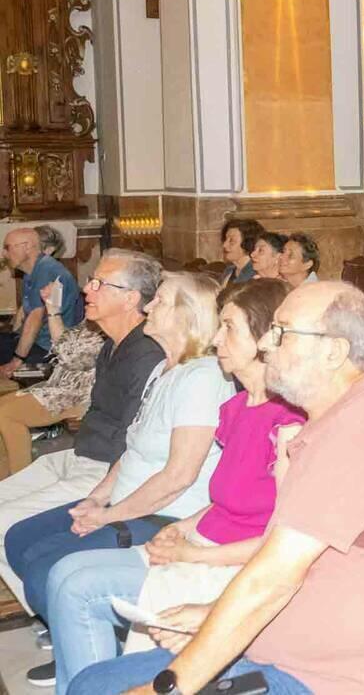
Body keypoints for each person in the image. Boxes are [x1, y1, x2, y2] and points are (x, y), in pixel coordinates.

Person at [69, 282, 364, 695]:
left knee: (99, 688)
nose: (266, 343)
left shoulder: (356, 435)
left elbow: (273, 578)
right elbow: (300, 563)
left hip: (333, 680)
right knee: (94, 681)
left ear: (333, 352)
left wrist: (169, 687)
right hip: (292, 651)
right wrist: (213, 615)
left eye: (282, 332)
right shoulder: (339, 416)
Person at [43, 279, 302, 693]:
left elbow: (283, 543)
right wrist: (180, 530)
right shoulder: (236, 407)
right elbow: (223, 501)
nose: (216, 338)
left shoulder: (288, 423)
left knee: (77, 588)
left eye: (229, 328)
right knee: (65, 571)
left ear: (263, 338)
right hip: (201, 543)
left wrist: (189, 550)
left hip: (233, 564)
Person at [10, 272, 232, 688]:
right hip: (128, 502)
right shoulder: (163, 371)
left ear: (186, 315)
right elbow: (130, 450)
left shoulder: (202, 379)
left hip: (164, 515)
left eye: (160, 302)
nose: (148, 307)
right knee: (21, 538)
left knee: (47, 565)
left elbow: (178, 477)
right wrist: (95, 501)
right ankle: (74, 627)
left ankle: (93, 640)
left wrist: (111, 514)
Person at [0, 252, 163, 608]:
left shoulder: (146, 354)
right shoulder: (112, 344)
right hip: (80, 454)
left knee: (4, 523)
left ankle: (52, 612)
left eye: (100, 283)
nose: (88, 289)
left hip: (103, 469)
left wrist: (106, 495)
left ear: (131, 297)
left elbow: (136, 437)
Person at [0, 316, 103, 480]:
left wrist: (53, 312)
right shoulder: (91, 320)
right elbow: (65, 340)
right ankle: (5, 476)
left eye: (96, 288)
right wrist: (52, 309)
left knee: (6, 413)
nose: (89, 290)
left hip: (78, 395)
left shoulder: (109, 326)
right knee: (2, 405)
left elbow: (70, 358)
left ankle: (20, 479)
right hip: (61, 386)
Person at [0, 227, 83, 375]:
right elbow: (25, 315)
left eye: (7, 247)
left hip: (50, 351)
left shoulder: (46, 269)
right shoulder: (32, 270)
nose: (3, 253)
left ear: (26, 247)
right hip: (37, 342)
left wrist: (17, 360)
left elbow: (35, 318)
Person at [218, 219, 265, 288]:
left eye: (232, 241)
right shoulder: (228, 271)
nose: (224, 245)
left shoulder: (257, 273)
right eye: (225, 239)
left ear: (248, 243)